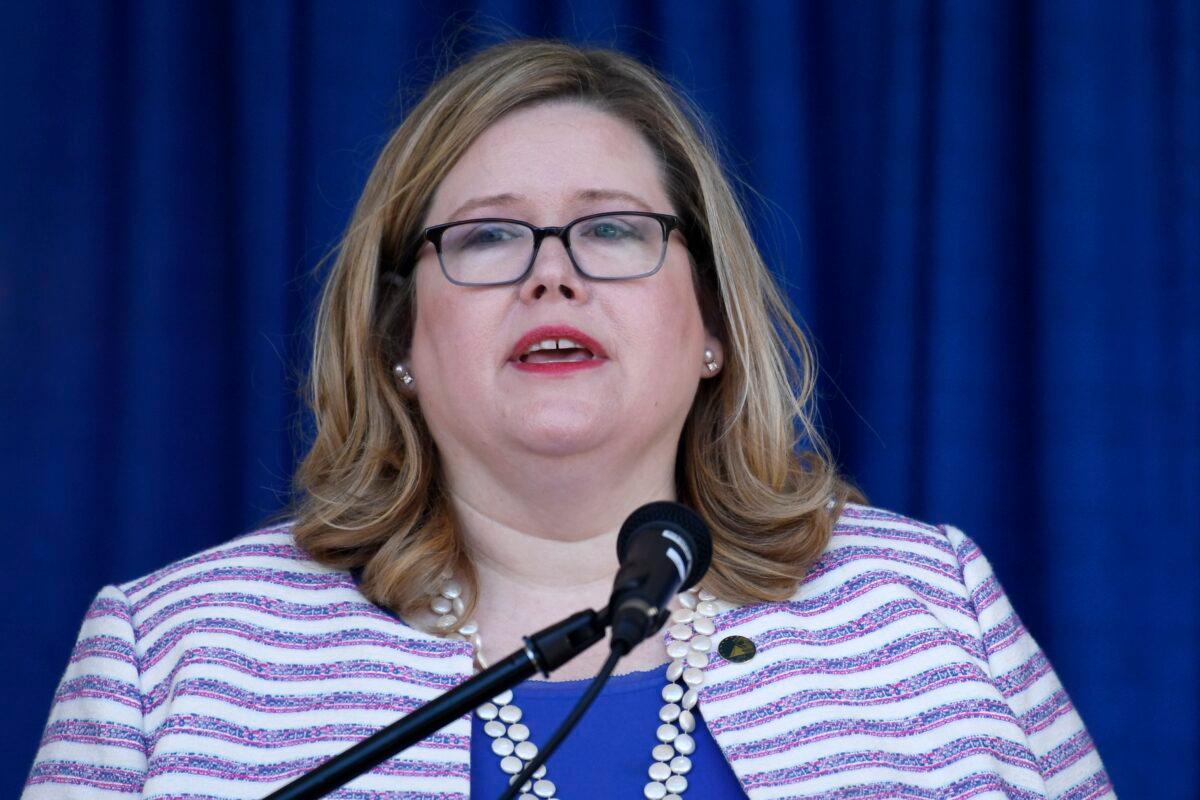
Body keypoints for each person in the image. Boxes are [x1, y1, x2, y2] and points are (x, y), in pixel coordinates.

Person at [24, 39, 1113, 799]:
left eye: (614, 230)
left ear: (712, 327)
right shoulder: (174, 650)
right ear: (400, 338)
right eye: (490, 238)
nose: (553, 277)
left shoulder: (925, 606)